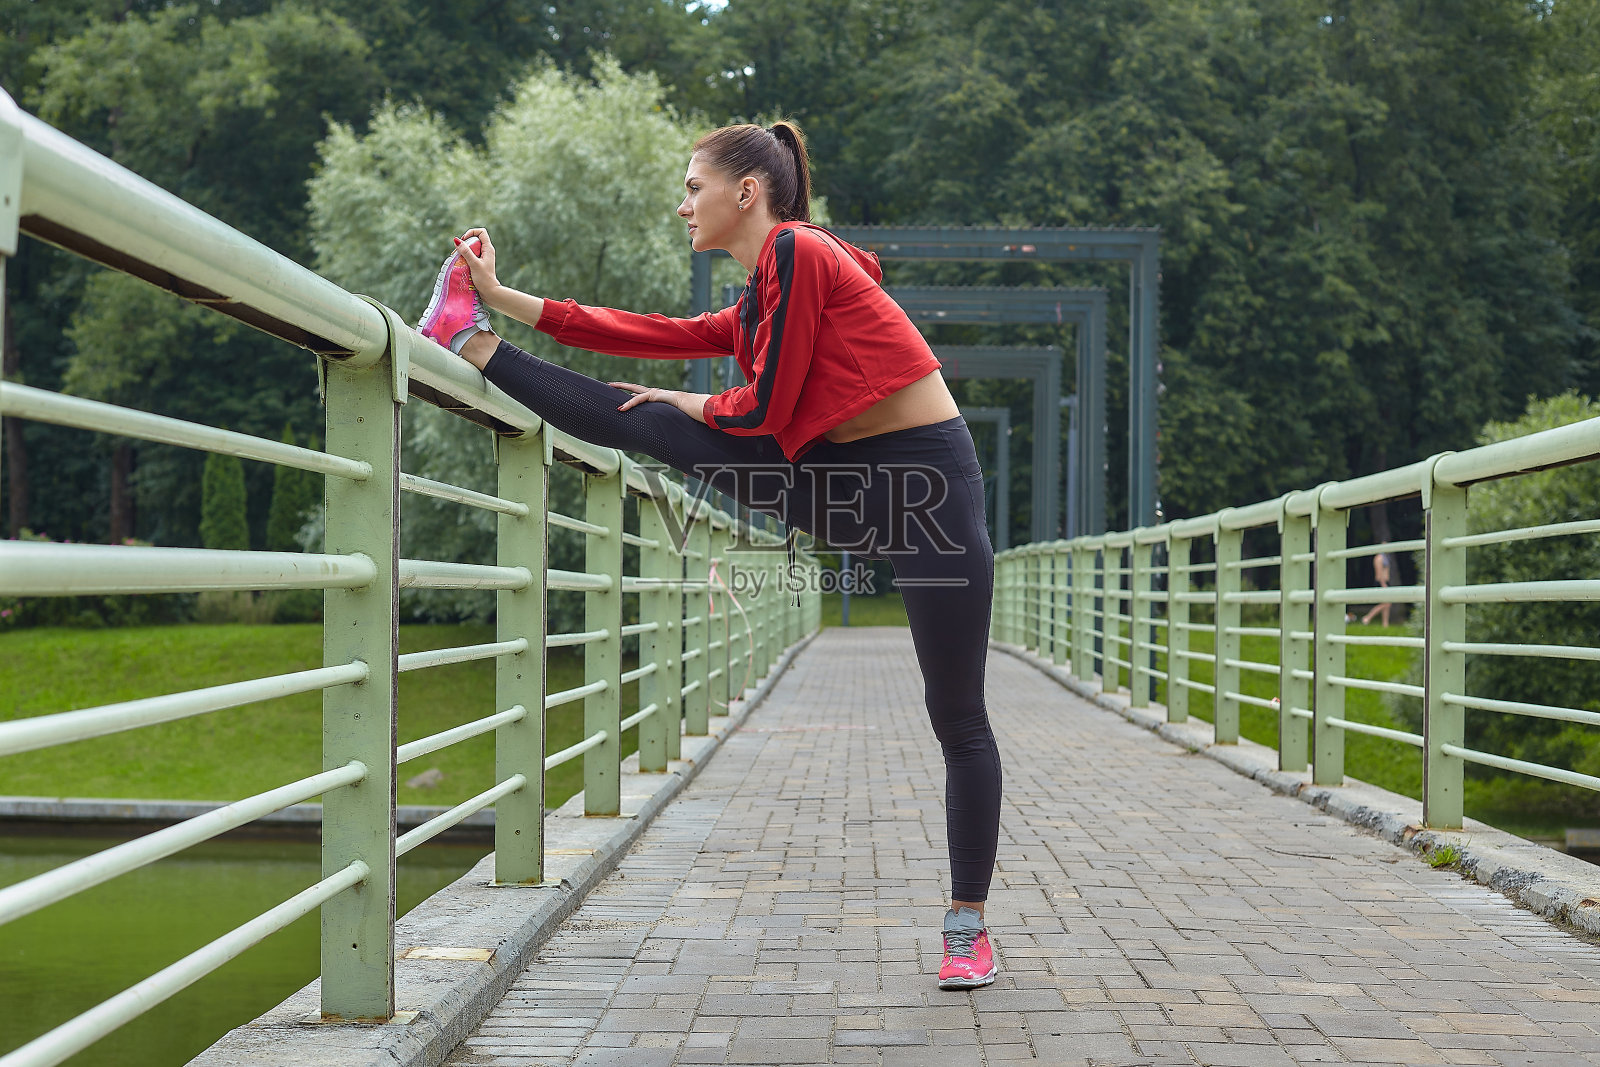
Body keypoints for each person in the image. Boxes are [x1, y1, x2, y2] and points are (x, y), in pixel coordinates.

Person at [414, 121, 1002, 990]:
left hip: (929, 494)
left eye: (695, 186)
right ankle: (467, 336)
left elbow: (763, 407)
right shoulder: (764, 291)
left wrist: (688, 406)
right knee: (651, 413)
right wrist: (502, 295)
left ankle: (967, 925)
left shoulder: (801, 252)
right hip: (840, 479)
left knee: (957, 716)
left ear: (748, 192)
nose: (684, 203)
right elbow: (646, 331)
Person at [1361, 551, 1395, 626]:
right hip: (1381, 582)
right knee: (1386, 604)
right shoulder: (1379, 558)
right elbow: (1379, 573)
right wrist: (1383, 584)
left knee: (1386, 604)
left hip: (1386, 582)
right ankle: (1367, 618)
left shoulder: (1386, 558)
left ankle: (1385, 624)